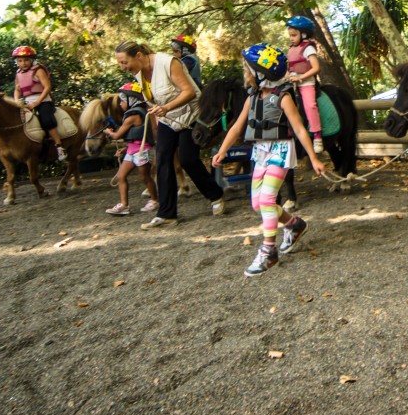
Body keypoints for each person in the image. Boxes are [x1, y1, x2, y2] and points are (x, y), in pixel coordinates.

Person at [211, 43, 325, 277]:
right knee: (258, 204)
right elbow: (236, 128)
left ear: (261, 73)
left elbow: (300, 130)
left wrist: (313, 158)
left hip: (280, 151)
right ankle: (294, 224)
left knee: (267, 200)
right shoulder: (251, 98)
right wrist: (222, 150)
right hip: (261, 152)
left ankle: (268, 251)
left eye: (248, 69)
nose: (245, 73)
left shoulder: (282, 97)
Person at [115, 41, 224, 228]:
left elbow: (189, 92)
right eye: (120, 63)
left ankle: (215, 196)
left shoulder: (167, 62)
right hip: (167, 119)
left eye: (125, 62)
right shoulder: (139, 73)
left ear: (139, 56)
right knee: (163, 159)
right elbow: (153, 101)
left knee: (188, 159)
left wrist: (166, 107)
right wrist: (158, 122)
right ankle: (167, 214)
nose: (123, 67)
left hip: (189, 116)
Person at [103, 82, 159, 216]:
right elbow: (134, 136)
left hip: (142, 151)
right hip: (131, 151)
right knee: (121, 176)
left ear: (130, 99)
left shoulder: (134, 115)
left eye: (122, 101)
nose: (121, 104)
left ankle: (155, 200)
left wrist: (108, 132)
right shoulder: (132, 114)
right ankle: (124, 205)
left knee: (145, 177)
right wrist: (124, 149)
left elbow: (117, 135)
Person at [11, 45, 66, 161]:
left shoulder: (38, 70)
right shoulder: (18, 73)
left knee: (46, 120)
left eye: (26, 60)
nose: (23, 63)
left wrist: (36, 103)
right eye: (20, 61)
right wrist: (16, 101)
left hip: (43, 100)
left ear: (31, 60)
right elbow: (17, 89)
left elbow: (47, 87)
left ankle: (59, 146)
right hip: (26, 102)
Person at [285, 15, 325, 154]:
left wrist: (301, 77)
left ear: (303, 34)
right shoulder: (291, 49)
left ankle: (317, 135)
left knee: (310, 105)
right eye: (290, 35)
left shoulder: (308, 49)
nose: (291, 38)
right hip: (292, 83)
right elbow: (290, 68)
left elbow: (315, 68)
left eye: (294, 35)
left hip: (306, 83)